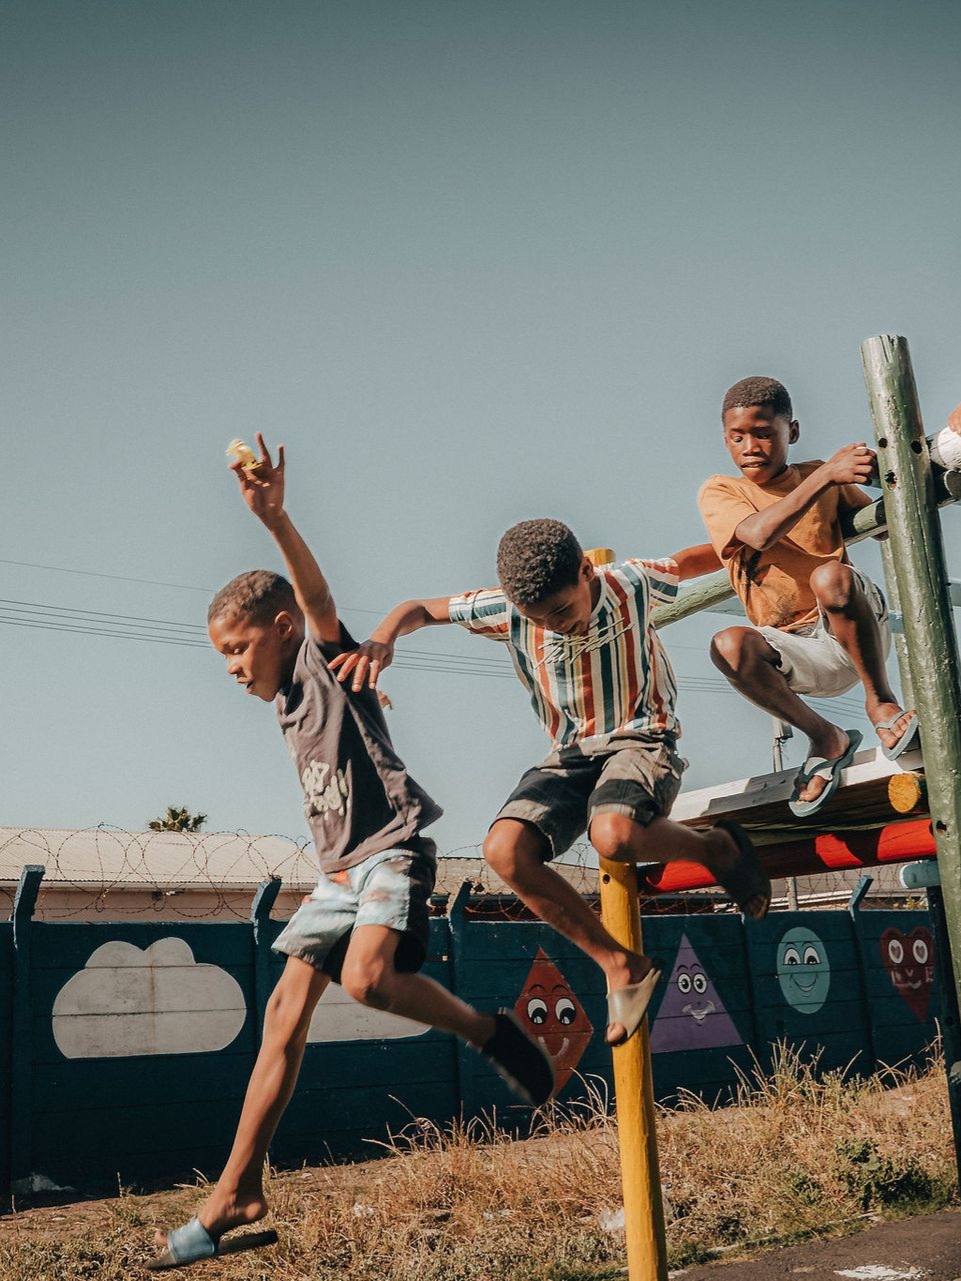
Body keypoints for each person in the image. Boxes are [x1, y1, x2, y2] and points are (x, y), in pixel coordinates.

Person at [149, 436, 553, 1270]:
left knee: (369, 980)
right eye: (221, 654)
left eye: (238, 648)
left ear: (284, 630)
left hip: (391, 853)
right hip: (333, 873)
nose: (230, 668)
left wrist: (274, 518)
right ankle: (237, 1189)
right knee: (280, 1022)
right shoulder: (285, 704)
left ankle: (487, 1030)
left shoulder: (327, 663)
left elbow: (318, 593)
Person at [330, 520, 771, 1051]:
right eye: (541, 619)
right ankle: (620, 964)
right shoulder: (507, 610)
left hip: (641, 740)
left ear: (587, 571)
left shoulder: (628, 582)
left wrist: (757, 550)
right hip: (567, 757)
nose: (556, 625)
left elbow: (694, 559)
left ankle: (716, 849)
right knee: (504, 851)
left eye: (562, 611)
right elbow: (418, 609)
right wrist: (382, 639)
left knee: (614, 835)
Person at [698, 376, 917, 819]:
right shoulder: (722, 491)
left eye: (763, 433)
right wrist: (824, 476)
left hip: (853, 633)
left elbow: (882, 524)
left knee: (829, 576)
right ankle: (824, 736)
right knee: (728, 643)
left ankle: (881, 701)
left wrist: (884, 471)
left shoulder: (823, 476)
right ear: (724, 439)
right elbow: (758, 534)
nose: (750, 446)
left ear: (790, 433)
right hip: (794, 647)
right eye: (736, 437)